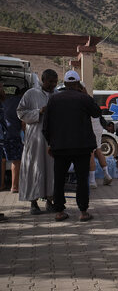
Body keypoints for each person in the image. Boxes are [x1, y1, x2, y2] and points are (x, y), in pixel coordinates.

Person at [42, 70, 101, 222]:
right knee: (82, 179)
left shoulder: (54, 99)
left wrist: (51, 143)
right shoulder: (83, 98)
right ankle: (83, 212)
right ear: (78, 84)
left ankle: (60, 212)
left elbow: (46, 126)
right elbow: (96, 113)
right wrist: (86, 94)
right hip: (82, 148)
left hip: (60, 148)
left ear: (65, 83)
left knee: (59, 179)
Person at [17, 69, 58, 215]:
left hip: (52, 139)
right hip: (35, 139)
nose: (53, 85)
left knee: (51, 170)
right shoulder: (31, 94)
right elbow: (20, 113)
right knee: (35, 169)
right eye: (50, 82)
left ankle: (50, 201)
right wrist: (38, 112)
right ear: (43, 79)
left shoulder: (57, 95)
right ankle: (33, 203)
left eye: (55, 82)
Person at [3, 87, 25, 193]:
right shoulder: (21, 102)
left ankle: (3, 184)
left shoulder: (8, 101)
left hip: (5, 134)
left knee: (4, 160)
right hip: (14, 134)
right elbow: (23, 121)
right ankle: (15, 186)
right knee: (17, 161)